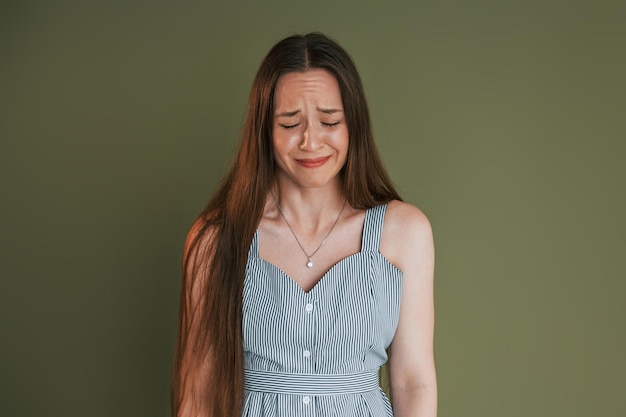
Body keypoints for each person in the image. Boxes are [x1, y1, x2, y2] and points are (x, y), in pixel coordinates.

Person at [172, 32, 436, 417]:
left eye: (329, 121)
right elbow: (198, 392)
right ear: (264, 131)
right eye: (289, 123)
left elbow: (414, 381)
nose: (310, 142)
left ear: (353, 126)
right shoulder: (216, 239)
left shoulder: (405, 232)